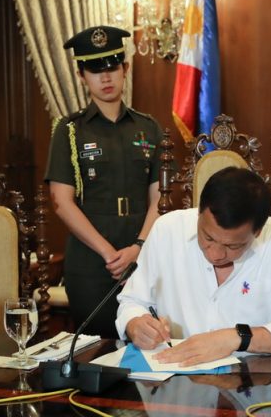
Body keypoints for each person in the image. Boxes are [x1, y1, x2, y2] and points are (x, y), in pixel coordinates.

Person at [116, 167, 271, 366]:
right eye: (208, 238)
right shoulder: (167, 230)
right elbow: (132, 301)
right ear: (199, 212)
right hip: (176, 385)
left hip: (255, 390)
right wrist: (135, 324)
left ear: (257, 232)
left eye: (233, 246)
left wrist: (237, 338)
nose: (216, 254)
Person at [45, 25, 163, 337]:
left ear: (125, 69)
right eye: (95, 70)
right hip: (91, 264)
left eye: (112, 67)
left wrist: (138, 248)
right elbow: (61, 202)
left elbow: (160, 198)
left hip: (144, 257)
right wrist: (111, 255)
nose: (106, 77)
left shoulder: (149, 128)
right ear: (82, 75)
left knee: (148, 345)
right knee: (96, 349)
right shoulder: (69, 130)